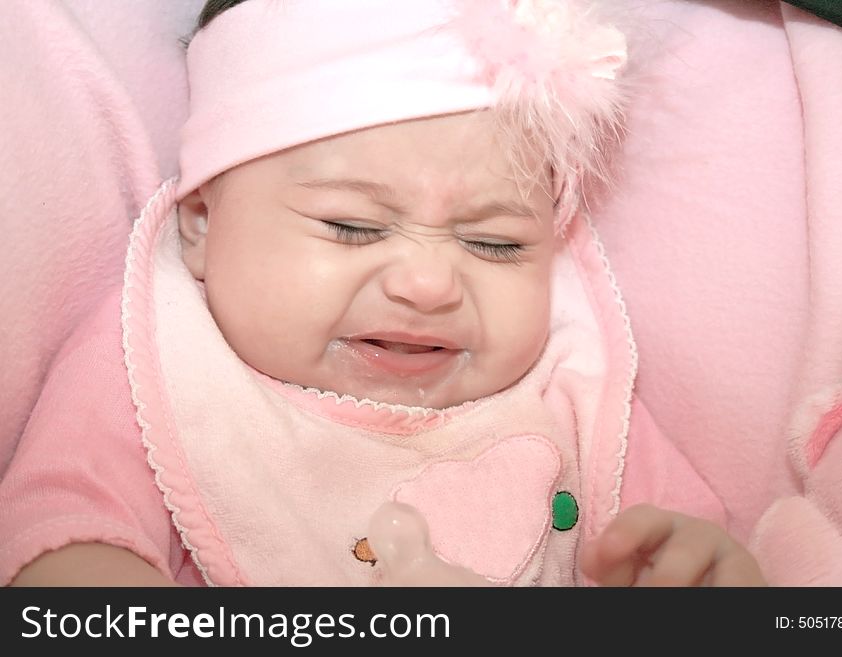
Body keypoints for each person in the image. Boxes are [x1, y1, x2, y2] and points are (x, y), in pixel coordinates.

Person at [1, 0, 769, 587]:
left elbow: (678, 544)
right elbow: (64, 547)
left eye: (494, 243)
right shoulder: (157, 359)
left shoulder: (573, 388)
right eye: (353, 226)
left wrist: (705, 572)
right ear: (201, 223)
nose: (429, 284)